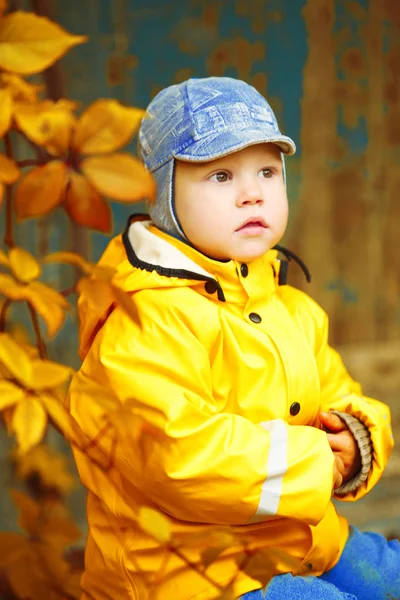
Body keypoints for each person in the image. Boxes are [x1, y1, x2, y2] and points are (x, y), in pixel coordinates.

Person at [68, 77, 397, 600]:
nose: (252, 193)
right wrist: (317, 460)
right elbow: (181, 457)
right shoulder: (145, 320)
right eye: (221, 175)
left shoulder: (286, 306)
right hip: (192, 576)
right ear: (163, 195)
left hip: (300, 544)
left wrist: (354, 441)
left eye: (267, 171)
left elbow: (338, 392)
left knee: (388, 575)